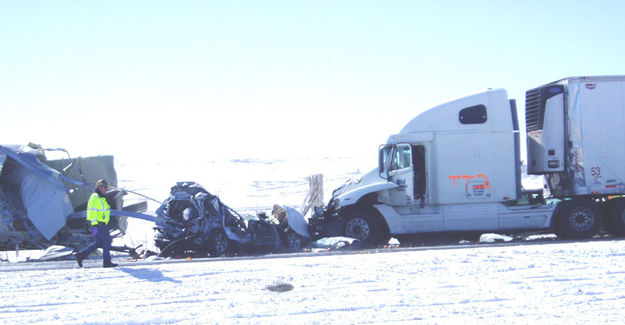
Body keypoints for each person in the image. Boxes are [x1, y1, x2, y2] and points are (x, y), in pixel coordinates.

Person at [76, 179, 118, 268]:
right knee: (107, 240)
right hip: (98, 225)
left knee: (98, 243)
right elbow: (92, 212)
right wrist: (95, 224)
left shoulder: (100, 198)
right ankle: (107, 262)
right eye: (104, 187)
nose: (106, 189)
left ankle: (81, 256)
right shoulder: (96, 198)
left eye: (107, 187)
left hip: (98, 225)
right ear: (99, 187)